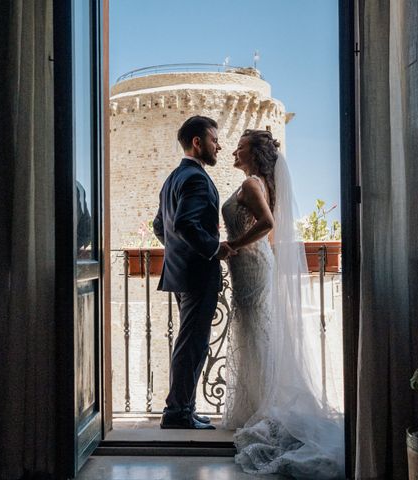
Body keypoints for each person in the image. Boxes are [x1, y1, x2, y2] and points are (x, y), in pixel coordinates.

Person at [221, 129, 344, 478]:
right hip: (252, 264)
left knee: (256, 328)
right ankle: (255, 402)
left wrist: (233, 245)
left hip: (252, 263)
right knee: (253, 329)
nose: (234, 150)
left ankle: (263, 405)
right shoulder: (256, 184)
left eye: (240, 147)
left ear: (254, 154)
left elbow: (267, 223)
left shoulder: (251, 186)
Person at [153, 115, 237, 430]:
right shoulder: (197, 179)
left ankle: (184, 407)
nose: (219, 145)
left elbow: (160, 226)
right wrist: (214, 249)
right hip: (197, 274)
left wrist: (178, 252)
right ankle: (176, 413)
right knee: (192, 344)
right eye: (215, 140)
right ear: (198, 143)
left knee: (190, 342)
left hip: (181, 273)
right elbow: (185, 224)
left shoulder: (173, 178)